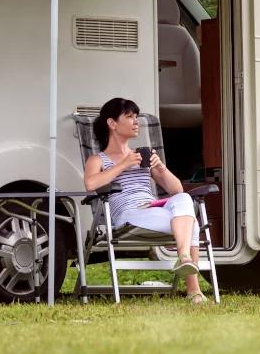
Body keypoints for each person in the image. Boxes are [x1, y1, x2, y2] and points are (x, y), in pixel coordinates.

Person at [83, 97, 207, 304]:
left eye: (136, 117)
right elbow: (91, 183)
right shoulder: (97, 159)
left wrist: (161, 168)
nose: (136, 121)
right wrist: (123, 164)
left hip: (155, 208)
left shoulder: (143, 156)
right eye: (129, 117)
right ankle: (193, 291)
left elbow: (176, 189)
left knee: (184, 198)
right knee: (191, 223)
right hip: (129, 215)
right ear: (112, 123)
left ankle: (184, 257)